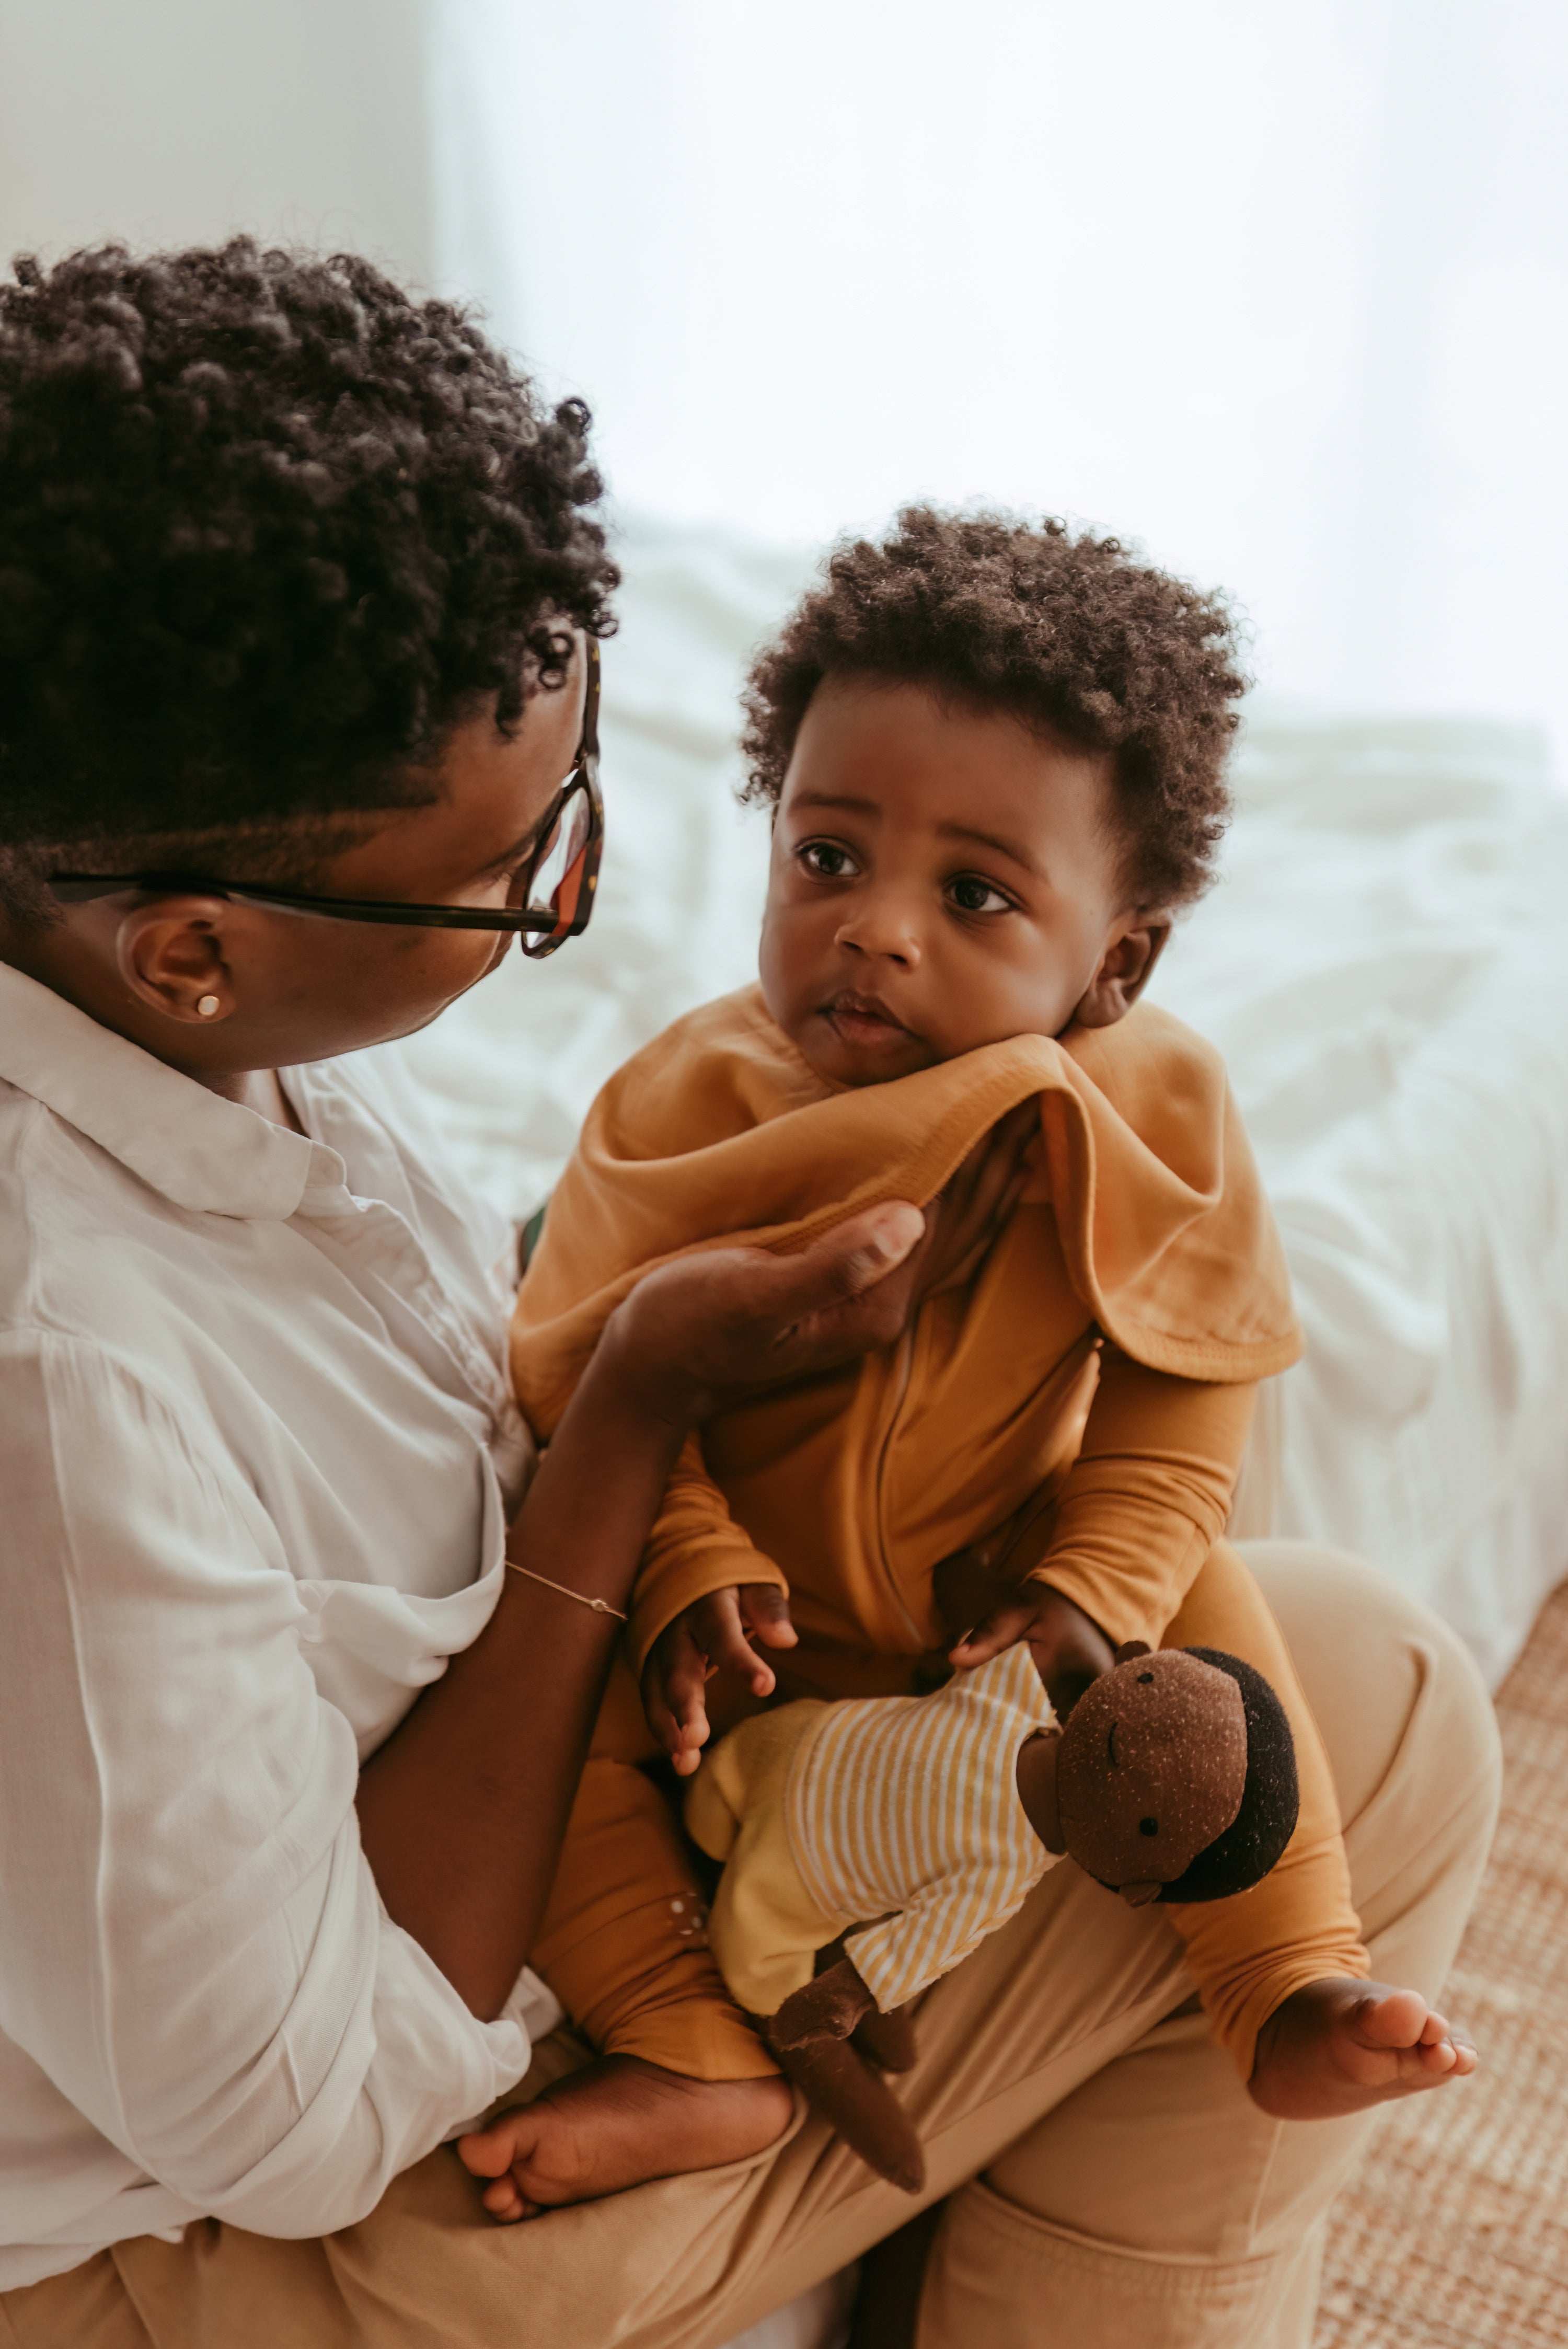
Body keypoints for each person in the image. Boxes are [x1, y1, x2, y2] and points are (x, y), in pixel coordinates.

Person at [0, 240, 1498, 2349]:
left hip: (590, 1810)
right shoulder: (55, 1372)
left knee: (1279, 1640)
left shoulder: (195, 1049)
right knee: (1404, 1720)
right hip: (260, 2219)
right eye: (531, 875)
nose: (859, 939)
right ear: (189, 943)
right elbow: (300, 2105)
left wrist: (1034, 1581)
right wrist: (637, 1435)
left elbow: (1179, 1396)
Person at [468, 514, 1461, 2219]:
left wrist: (1096, 1586)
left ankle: (1287, 1974)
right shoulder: (688, 1105)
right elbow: (582, 1360)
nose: (874, 932)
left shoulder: (1152, 1115)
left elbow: (1185, 1395)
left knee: (1217, 1628)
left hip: (994, 1588)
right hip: (727, 1622)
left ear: (1118, 962)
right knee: (520, 1678)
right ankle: (684, 2041)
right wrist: (690, 1559)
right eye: (827, 859)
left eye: (976, 895)